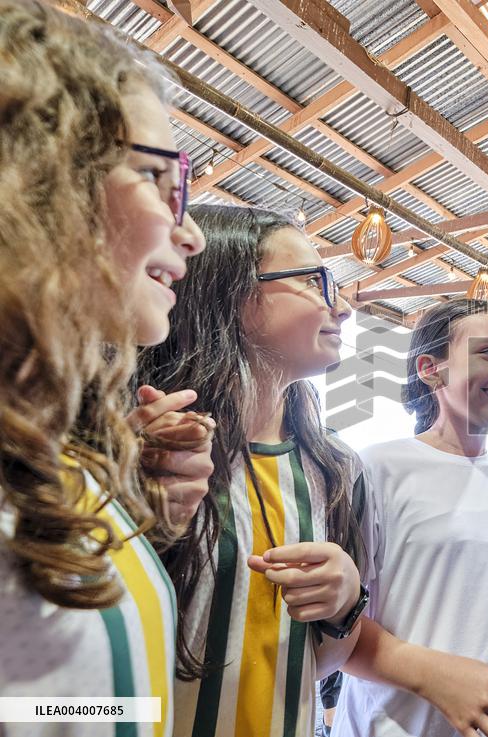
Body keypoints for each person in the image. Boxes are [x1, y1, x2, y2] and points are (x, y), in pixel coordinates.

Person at [137, 206, 488, 737]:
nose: (344, 306)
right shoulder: (143, 449)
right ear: (228, 291)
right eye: (313, 280)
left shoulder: (332, 470)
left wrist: (346, 603)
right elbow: (44, 701)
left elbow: (312, 664)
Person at [0, 2, 207, 735]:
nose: (194, 230)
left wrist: (135, 507)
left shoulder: (59, 456)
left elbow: (55, 704)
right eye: (161, 178)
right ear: (40, 181)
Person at [331, 299, 488, 737]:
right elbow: (337, 623)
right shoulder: (378, 468)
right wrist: (436, 675)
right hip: (394, 725)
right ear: (429, 369)